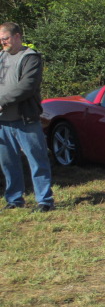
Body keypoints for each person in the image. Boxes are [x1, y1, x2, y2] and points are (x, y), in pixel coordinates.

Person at [0, 22, 54, 211]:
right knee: (8, 162)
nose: (3, 42)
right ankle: (14, 199)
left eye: (5, 38)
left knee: (37, 160)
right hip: (3, 121)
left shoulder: (31, 58)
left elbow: (27, 86)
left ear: (17, 36)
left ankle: (44, 201)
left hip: (25, 119)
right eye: (1, 40)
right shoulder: (1, 57)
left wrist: (2, 101)